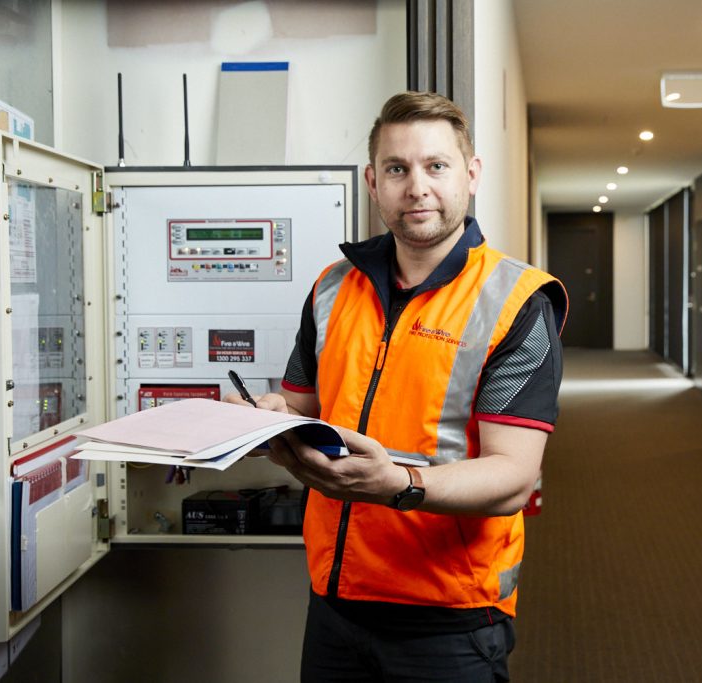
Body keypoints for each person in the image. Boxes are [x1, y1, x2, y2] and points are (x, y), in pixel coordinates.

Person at [225, 91, 567, 682]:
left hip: (449, 618)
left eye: (436, 166)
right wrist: (266, 418)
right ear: (372, 181)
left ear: (471, 174)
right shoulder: (332, 289)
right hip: (336, 602)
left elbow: (513, 476)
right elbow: (302, 408)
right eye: (396, 168)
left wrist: (399, 485)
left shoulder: (517, 302)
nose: (417, 187)